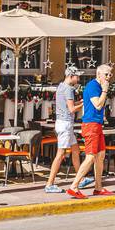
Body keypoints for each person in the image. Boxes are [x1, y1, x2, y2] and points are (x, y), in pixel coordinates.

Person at [67, 63, 113, 198]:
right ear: (98, 74)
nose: (109, 77)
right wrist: (105, 90)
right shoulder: (93, 86)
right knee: (91, 156)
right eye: (106, 74)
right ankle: (74, 186)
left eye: (110, 74)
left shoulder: (98, 86)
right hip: (90, 125)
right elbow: (98, 105)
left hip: (97, 124)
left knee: (101, 155)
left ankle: (98, 187)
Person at [45, 65, 83, 194]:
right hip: (65, 124)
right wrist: (86, 104)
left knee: (75, 150)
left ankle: (80, 178)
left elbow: (68, 105)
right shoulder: (69, 89)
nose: (78, 79)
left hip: (63, 123)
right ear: (70, 76)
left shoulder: (61, 86)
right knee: (60, 154)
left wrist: (79, 103)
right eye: (77, 76)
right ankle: (50, 184)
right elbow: (72, 109)